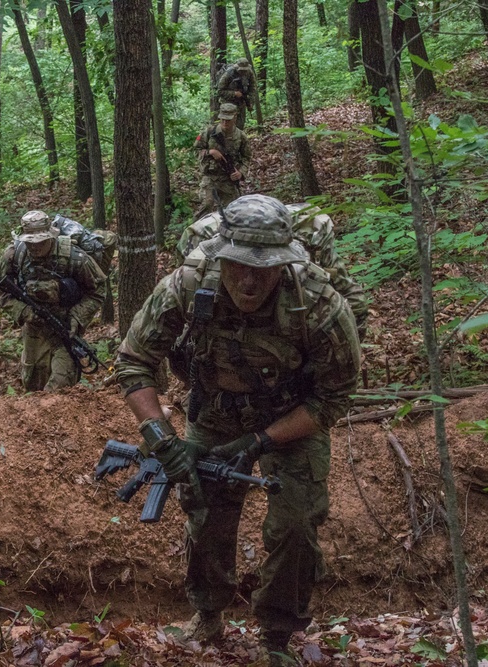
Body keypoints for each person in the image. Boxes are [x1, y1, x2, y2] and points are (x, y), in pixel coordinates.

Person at [111, 195, 360, 663]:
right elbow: (134, 361)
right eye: (238, 265)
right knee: (206, 513)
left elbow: (334, 397)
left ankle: (277, 638)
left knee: (297, 524)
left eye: (263, 269)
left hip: (293, 417)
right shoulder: (187, 285)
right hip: (215, 412)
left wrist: (262, 442)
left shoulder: (319, 303)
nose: (248, 280)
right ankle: (207, 614)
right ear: (221, 255)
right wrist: (161, 438)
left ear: (285, 264)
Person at [176, 202, 369, 341]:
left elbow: (350, 295)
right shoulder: (199, 240)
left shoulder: (313, 232)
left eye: (262, 264)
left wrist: (351, 344)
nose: (249, 276)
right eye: (239, 262)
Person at [0, 210, 107, 392]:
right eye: (30, 242)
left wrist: (77, 317)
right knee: (33, 384)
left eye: (40, 242)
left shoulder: (73, 258)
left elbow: (98, 289)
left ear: (51, 237)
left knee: (59, 387)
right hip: (34, 330)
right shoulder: (15, 255)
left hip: (65, 329)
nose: (34, 247)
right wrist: (23, 311)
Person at [193, 103, 252, 220]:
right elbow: (195, 151)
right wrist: (210, 152)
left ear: (235, 118)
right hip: (210, 177)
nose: (225, 122)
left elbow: (247, 157)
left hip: (228, 179)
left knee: (235, 210)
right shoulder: (209, 132)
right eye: (222, 119)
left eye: (228, 120)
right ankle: (195, 233)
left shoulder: (241, 136)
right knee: (207, 205)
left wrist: (240, 172)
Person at [216, 58, 258, 127]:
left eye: (245, 70)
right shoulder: (228, 74)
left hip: (241, 102)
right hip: (228, 103)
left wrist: (250, 102)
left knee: (240, 125)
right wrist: (234, 94)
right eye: (241, 70)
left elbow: (252, 88)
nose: (243, 72)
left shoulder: (249, 73)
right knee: (228, 125)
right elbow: (220, 91)